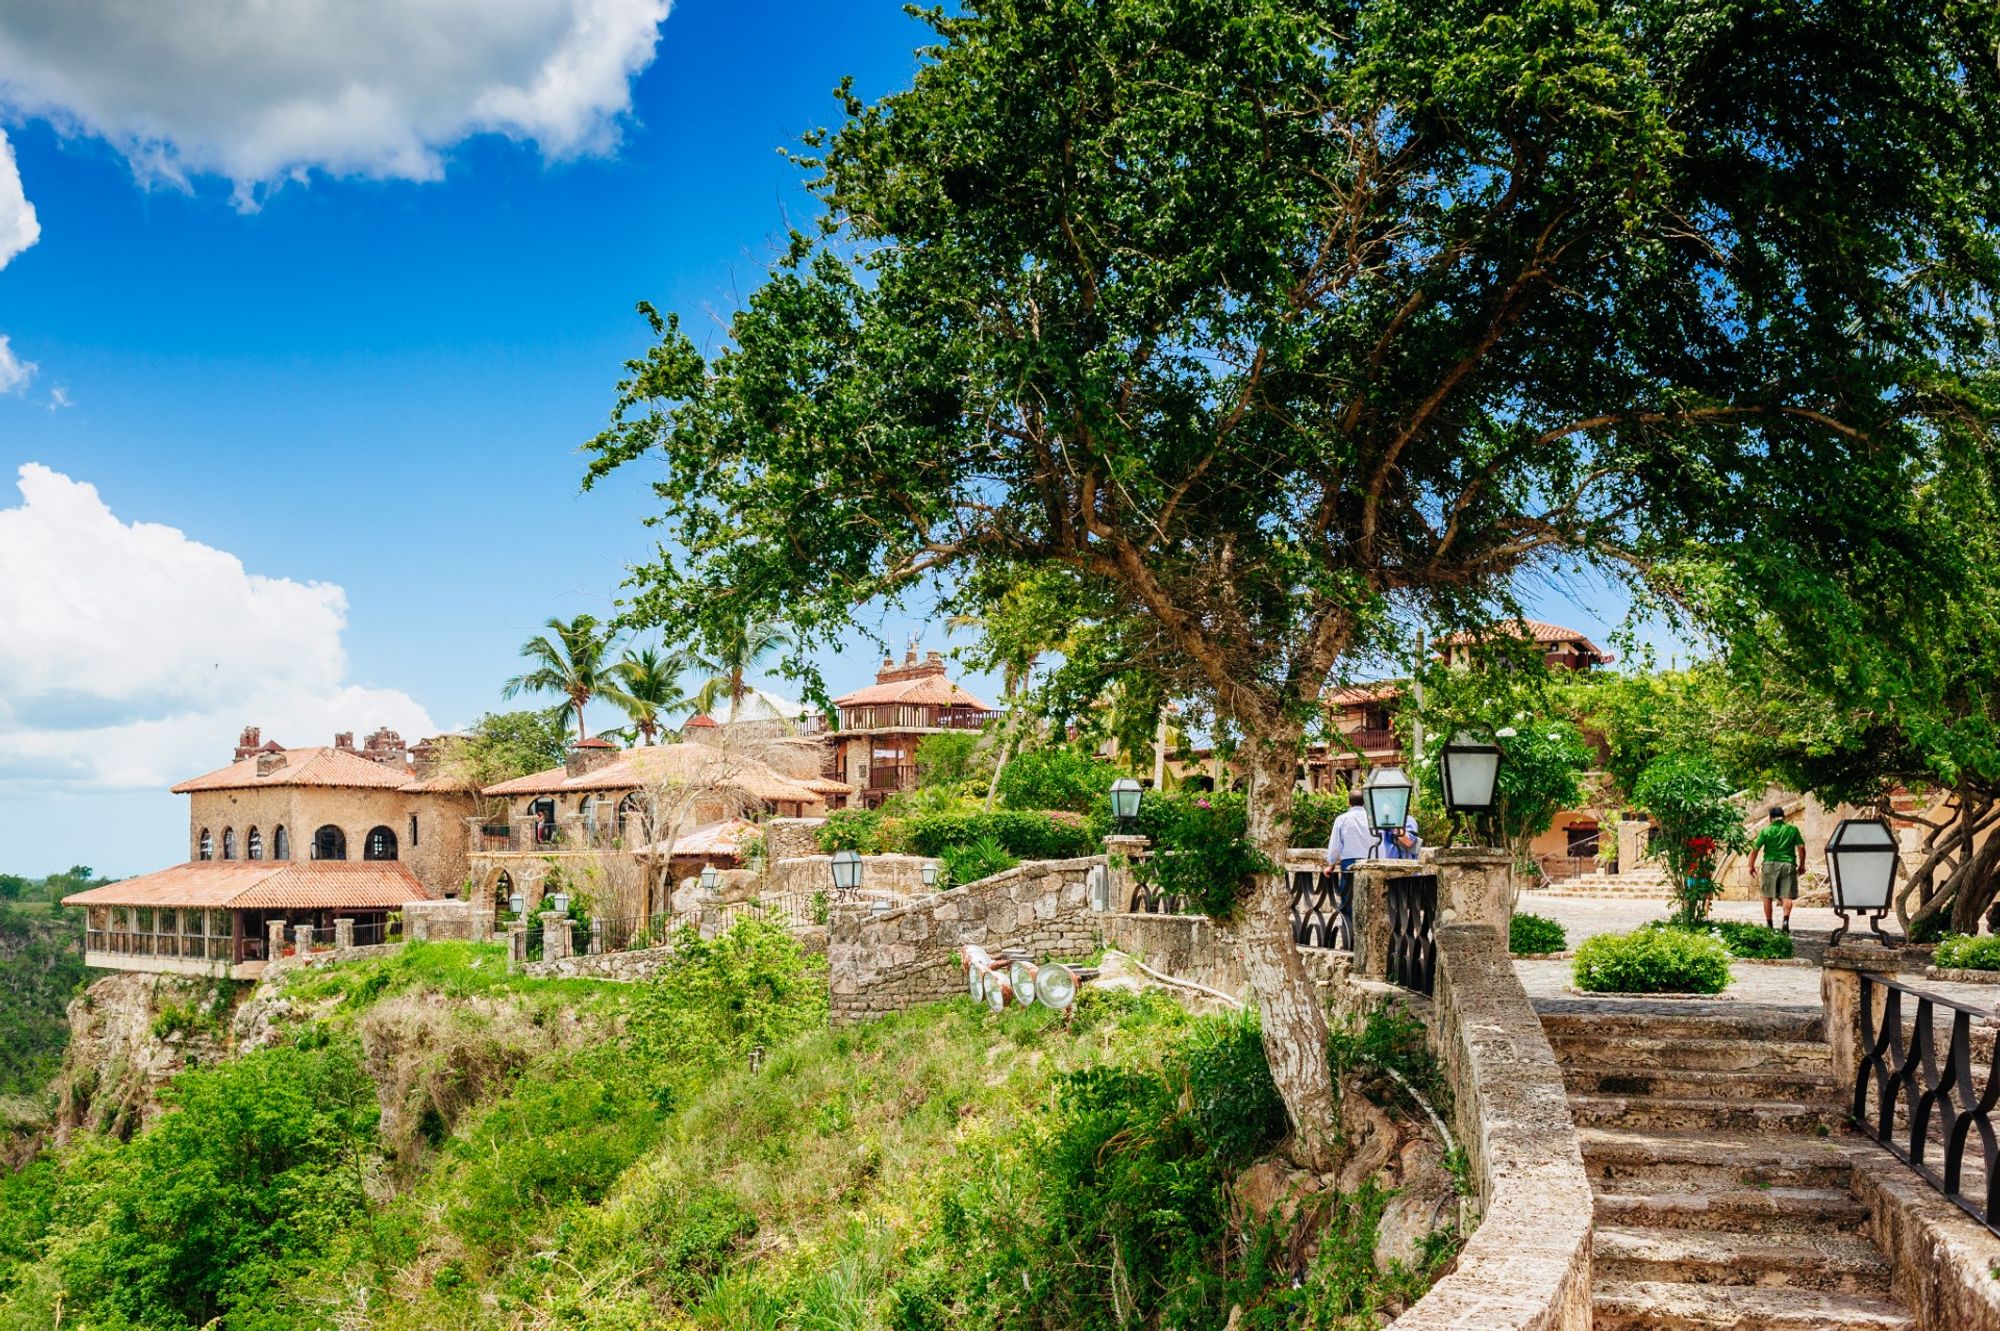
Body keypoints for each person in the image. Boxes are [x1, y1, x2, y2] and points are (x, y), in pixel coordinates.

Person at [1749, 805, 1806, 932]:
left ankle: (1769, 925)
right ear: (1783, 816)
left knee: (1767, 896)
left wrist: (1751, 865)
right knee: (1787, 895)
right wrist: (1802, 864)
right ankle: (1785, 921)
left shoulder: (1766, 831)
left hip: (1770, 864)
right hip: (1788, 864)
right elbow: (1801, 847)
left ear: (1770, 818)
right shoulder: (1792, 829)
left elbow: (1755, 849)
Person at [1327, 790, 1376, 870]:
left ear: (1348, 802)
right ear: (1364, 802)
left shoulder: (1341, 819)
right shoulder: (1373, 820)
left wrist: (1331, 863)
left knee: (1349, 882)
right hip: (1370, 861)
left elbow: (1335, 845)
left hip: (1349, 861)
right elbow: (1379, 843)